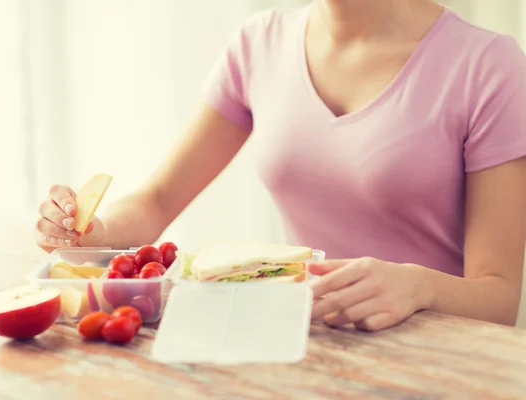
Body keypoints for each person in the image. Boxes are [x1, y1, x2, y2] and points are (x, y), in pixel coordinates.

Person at [35, 0, 526, 332]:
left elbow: (499, 299)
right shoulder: (259, 44)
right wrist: (89, 229)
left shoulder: (487, 65)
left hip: (438, 359)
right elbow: (158, 200)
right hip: (299, 347)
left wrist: (417, 285)